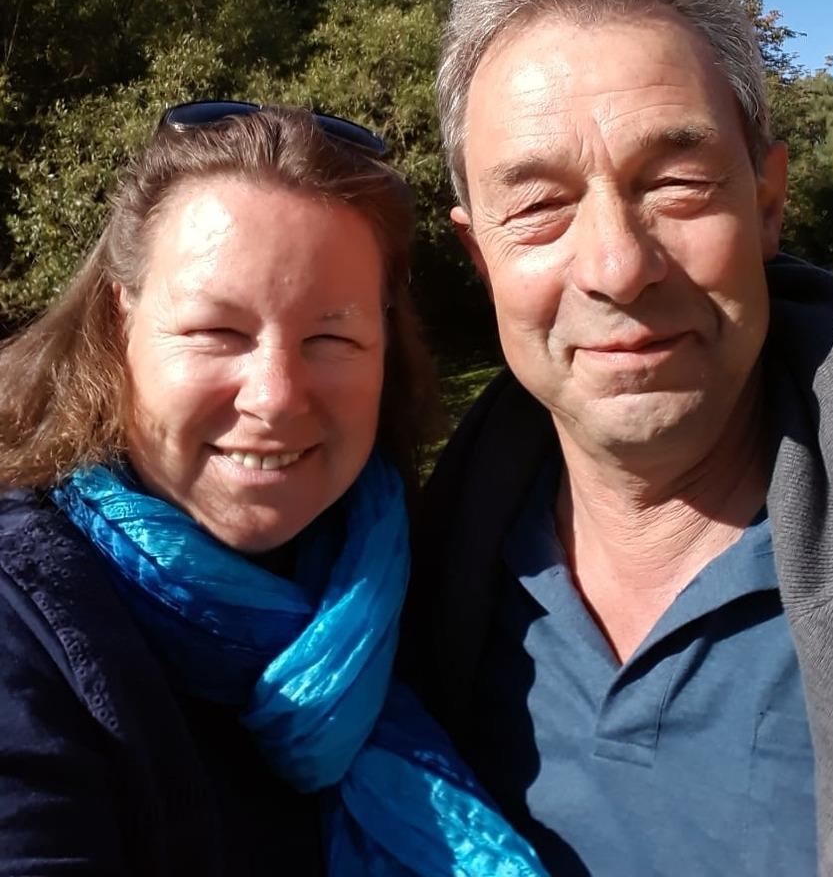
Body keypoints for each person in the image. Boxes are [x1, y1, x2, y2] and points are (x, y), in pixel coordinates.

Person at [409, 0, 833, 877]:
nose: (618, 266)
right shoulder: (389, 585)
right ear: (478, 255)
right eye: (537, 206)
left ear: (768, 202)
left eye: (676, 183)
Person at [0, 102, 547, 877]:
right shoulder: (30, 619)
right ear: (121, 321)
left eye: (331, 337)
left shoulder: (438, 578)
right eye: (216, 332)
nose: (276, 397)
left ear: (386, 347)